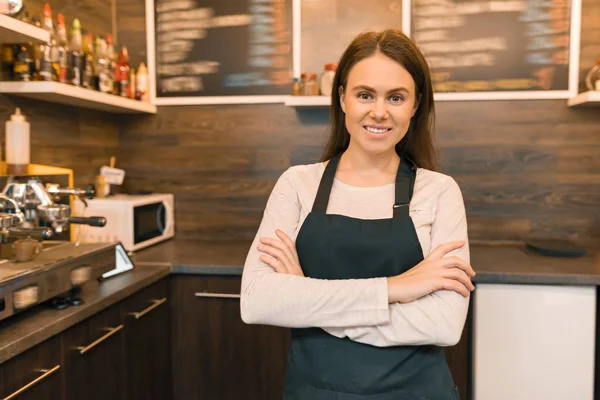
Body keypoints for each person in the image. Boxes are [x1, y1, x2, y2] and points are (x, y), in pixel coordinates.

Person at [240, 28, 475, 400]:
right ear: (343, 99)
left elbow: (443, 324)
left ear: (415, 106)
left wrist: (306, 299)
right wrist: (396, 288)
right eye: (365, 94)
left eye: (396, 97)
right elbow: (257, 301)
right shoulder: (298, 185)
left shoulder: (440, 191)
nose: (379, 112)